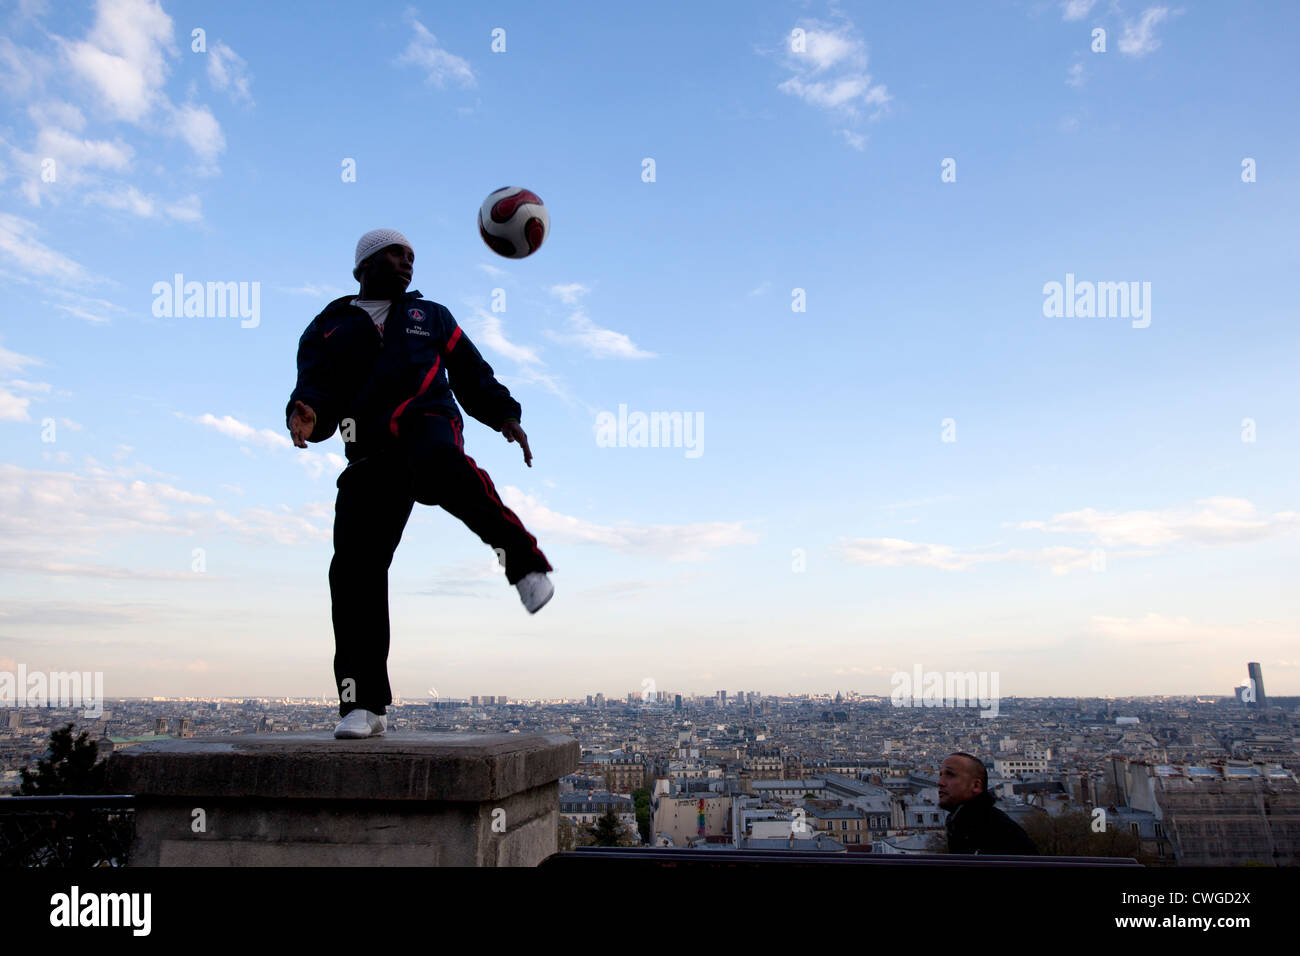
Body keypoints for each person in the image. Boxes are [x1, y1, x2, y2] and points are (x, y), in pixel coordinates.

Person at [286, 228, 554, 739]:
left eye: (412, 255)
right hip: (367, 450)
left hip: (427, 423)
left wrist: (504, 415)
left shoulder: (430, 316)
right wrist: (306, 414)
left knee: (445, 466)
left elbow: (472, 373)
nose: (408, 261)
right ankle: (364, 705)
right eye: (396, 253)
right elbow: (316, 389)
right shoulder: (328, 327)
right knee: (353, 572)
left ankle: (525, 565)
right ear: (365, 262)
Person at [938, 752, 1038, 855]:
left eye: (950, 775)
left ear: (976, 785)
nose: (940, 782)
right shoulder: (969, 822)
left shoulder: (993, 831)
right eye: (941, 775)